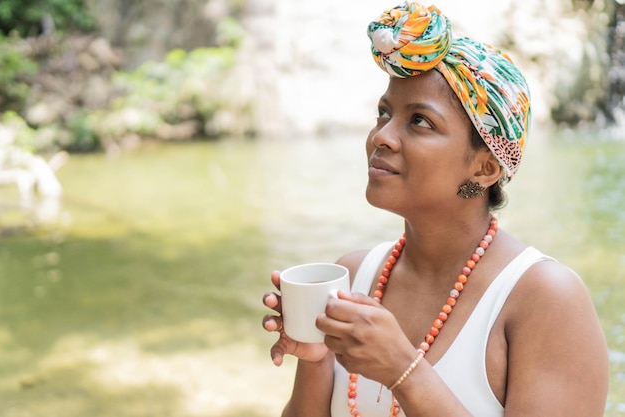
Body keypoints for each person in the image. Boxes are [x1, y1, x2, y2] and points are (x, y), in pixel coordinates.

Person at [261, 2, 609, 416]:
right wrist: (316, 357)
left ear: (485, 167)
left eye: (420, 121)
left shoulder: (545, 299)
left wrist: (403, 369)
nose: (381, 137)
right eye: (384, 113)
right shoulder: (353, 278)